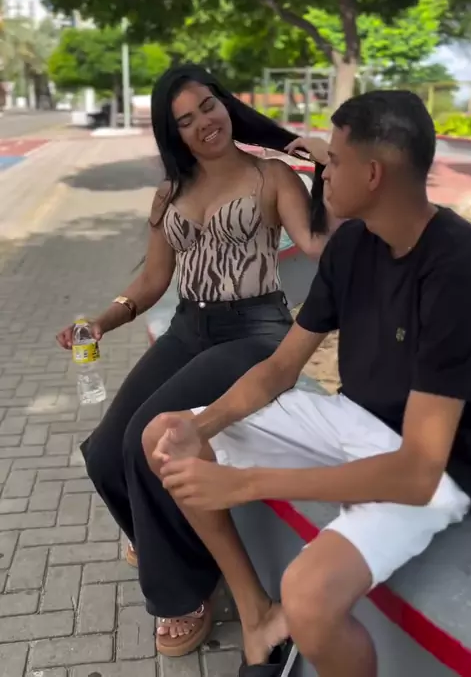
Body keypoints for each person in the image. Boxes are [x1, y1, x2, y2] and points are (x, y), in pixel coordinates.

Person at [145, 89, 471, 677]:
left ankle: (288, 616)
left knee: (309, 596)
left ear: (373, 175)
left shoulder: (458, 268)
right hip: (353, 418)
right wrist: (202, 427)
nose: (323, 170)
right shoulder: (352, 244)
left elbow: (418, 470)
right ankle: (257, 618)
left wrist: (245, 483)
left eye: (336, 160)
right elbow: (281, 368)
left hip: (437, 465)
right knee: (165, 436)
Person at [56, 63, 332, 657]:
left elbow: (317, 245)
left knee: (147, 441)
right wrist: (101, 322)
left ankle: (182, 595)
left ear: (224, 104)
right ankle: (161, 538)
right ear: (172, 133)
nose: (204, 122)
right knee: (103, 452)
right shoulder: (170, 194)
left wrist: (327, 169)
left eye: (208, 105)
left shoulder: (271, 176)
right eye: (185, 119)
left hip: (254, 331)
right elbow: (154, 280)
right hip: (190, 327)